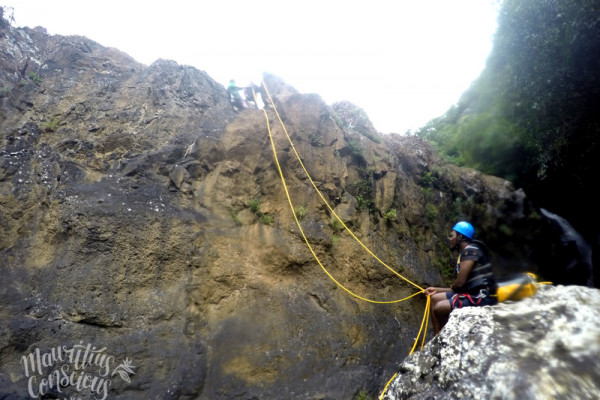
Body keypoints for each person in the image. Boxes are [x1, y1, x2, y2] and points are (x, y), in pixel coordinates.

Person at [424, 221, 498, 335]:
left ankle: (443, 338)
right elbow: (460, 287)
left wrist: (446, 288)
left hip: (481, 296)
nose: (450, 238)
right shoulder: (467, 251)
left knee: (439, 307)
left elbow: (459, 284)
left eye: (452, 235)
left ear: (460, 236)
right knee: (434, 298)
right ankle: (437, 337)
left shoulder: (471, 251)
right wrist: (437, 290)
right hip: (471, 293)